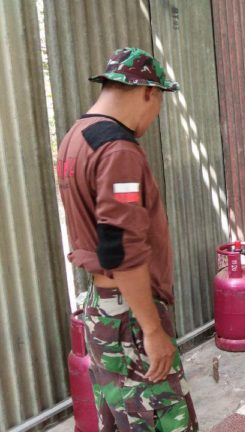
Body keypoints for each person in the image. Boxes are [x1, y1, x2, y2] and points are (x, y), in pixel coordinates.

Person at [56, 47, 197, 431]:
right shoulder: (119, 149)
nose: (154, 117)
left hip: (102, 310)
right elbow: (120, 247)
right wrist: (152, 331)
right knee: (166, 420)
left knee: (122, 419)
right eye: (159, 104)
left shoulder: (75, 138)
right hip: (129, 315)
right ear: (148, 92)